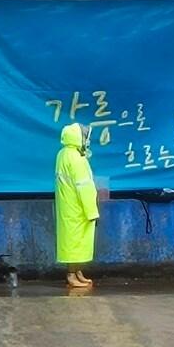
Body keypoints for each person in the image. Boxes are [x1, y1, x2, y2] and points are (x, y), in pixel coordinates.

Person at [55, 123, 100, 290]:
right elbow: (85, 187)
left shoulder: (63, 154)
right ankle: (72, 275)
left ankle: (76, 272)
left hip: (68, 206)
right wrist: (92, 211)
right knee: (75, 243)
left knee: (72, 242)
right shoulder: (76, 159)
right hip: (78, 208)